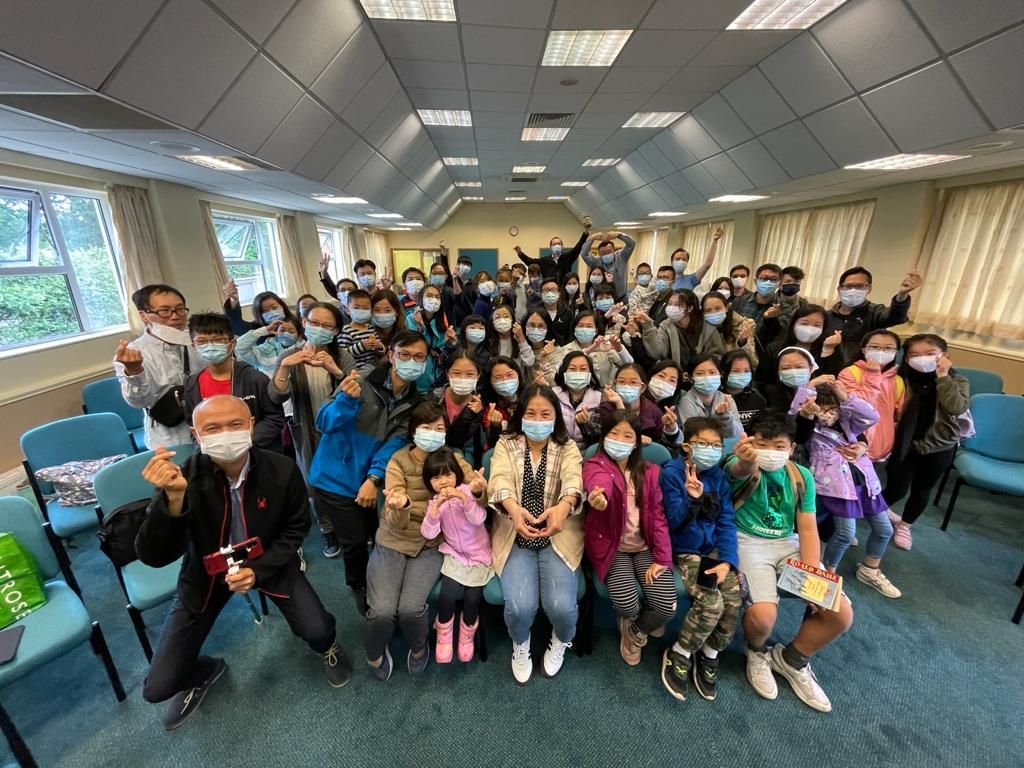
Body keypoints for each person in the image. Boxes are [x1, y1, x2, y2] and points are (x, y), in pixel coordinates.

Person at [136, 396, 352, 730]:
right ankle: (205, 671)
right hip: (206, 572)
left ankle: (328, 647)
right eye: (213, 428)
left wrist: (259, 570)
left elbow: (296, 529)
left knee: (319, 630)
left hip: (268, 560)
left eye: (235, 425)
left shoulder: (281, 468)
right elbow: (154, 555)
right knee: (159, 687)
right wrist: (173, 500)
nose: (225, 434)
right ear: (196, 434)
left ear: (251, 425)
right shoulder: (183, 478)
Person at [729, 412, 853, 713]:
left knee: (840, 614)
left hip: (788, 545)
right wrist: (745, 460)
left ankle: (791, 659)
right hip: (748, 542)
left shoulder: (801, 476)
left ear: (791, 447)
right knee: (763, 618)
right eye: (762, 444)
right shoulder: (744, 464)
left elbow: (808, 527)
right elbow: (736, 470)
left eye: (778, 445)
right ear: (749, 441)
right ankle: (756, 652)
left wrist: (813, 576)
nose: (770, 451)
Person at [307, 331, 428, 615]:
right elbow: (323, 422)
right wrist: (346, 401)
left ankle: (380, 582)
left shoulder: (413, 401)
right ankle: (358, 586)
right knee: (355, 541)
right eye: (405, 355)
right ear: (391, 355)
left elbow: (394, 444)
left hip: (368, 479)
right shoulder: (360, 380)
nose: (411, 361)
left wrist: (373, 479)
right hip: (334, 477)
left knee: (376, 533)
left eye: (419, 357)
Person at [364, 403, 482, 679]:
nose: (433, 434)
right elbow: (394, 518)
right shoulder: (399, 461)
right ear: (413, 431)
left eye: (439, 428)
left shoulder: (452, 458)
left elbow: (474, 488)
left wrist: (477, 490)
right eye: (426, 428)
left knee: (410, 609)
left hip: (432, 545)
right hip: (393, 540)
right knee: (381, 610)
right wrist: (401, 505)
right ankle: (373, 653)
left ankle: (419, 649)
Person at [487, 383, 584, 684]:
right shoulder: (506, 443)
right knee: (519, 608)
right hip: (514, 532)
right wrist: (514, 511)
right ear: (520, 415)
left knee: (563, 609)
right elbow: (499, 478)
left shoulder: (567, 446)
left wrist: (565, 506)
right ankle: (521, 644)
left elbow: (573, 479)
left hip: (558, 532)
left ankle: (560, 640)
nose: (538, 420)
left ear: (556, 416)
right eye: (531, 413)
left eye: (546, 414)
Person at [790, 383, 900, 598]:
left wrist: (845, 397)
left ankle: (870, 569)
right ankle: (826, 577)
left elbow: (872, 416)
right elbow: (798, 433)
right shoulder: (810, 426)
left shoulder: (848, 420)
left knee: (885, 530)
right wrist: (807, 402)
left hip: (863, 480)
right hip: (834, 485)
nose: (827, 414)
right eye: (822, 408)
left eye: (832, 407)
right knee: (845, 533)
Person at [583, 411, 674, 666]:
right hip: (614, 549)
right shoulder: (594, 465)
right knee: (626, 602)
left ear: (636, 441)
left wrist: (662, 558)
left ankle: (636, 631)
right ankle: (631, 620)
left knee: (666, 606)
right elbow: (598, 484)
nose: (619, 440)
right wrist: (598, 497)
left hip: (645, 547)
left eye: (627, 435)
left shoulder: (650, 471)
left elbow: (658, 517)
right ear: (603, 437)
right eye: (613, 433)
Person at [659, 417, 740, 702]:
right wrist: (693, 499)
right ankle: (680, 652)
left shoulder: (718, 477)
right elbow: (673, 522)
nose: (710, 450)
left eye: (716, 445)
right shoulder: (671, 473)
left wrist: (728, 561)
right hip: (687, 550)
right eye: (703, 444)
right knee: (711, 602)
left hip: (715, 552)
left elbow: (727, 521)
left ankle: (710, 652)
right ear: (686, 446)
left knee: (733, 600)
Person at [269, 302, 354, 557]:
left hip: (339, 430)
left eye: (328, 326)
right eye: (314, 323)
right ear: (303, 323)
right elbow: (275, 396)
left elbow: (359, 392)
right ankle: (327, 529)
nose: (320, 329)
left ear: (336, 330)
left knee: (344, 475)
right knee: (314, 480)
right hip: (306, 429)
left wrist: (335, 371)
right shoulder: (288, 356)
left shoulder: (342, 355)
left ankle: (348, 524)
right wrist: (285, 367)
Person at [882, 334, 969, 551]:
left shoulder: (957, 380)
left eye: (929, 354)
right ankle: (872, 511)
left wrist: (943, 377)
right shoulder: (900, 377)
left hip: (939, 445)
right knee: (896, 487)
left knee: (922, 488)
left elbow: (956, 407)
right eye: (915, 355)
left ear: (945, 356)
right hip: (903, 442)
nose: (922, 359)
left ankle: (905, 524)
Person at [420, 447, 492, 665]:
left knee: (472, 598)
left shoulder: (467, 491)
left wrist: (464, 498)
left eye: (448, 475)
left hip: (479, 554)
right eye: (436, 477)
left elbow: (479, 519)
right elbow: (428, 533)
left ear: (457, 476)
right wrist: (435, 511)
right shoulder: (434, 503)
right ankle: (443, 635)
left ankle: (467, 634)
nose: (443, 482)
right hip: (455, 555)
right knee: (446, 595)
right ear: (429, 481)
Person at [114, 284, 205, 450]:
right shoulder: (133, 353)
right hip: (169, 437)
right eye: (164, 311)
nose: (175, 316)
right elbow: (138, 402)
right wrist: (134, 371)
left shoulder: (198, 342)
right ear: (144, 315)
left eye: (180, 309)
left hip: (207, 427)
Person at [183, 312, 285, 452]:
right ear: (194, 346)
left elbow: (274, 417)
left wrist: (243, 441)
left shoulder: (255, 378)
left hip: (257, 454)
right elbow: (193, 424)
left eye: (218, 340)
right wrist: (207, 448)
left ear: (232, 344)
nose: (210, 345)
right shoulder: (192, 384)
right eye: (202, 341)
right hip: (215, 458)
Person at [825, 267, 922, 365]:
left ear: (869, 288)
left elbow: (896, 317)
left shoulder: (875, 312)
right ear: (839, 289)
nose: (853, 290)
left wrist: (902, 295)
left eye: (859, 286)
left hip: (864, 370)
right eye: (848, 286)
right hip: (829, 368)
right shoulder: (826, 316)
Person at [837, 330, 905, 462]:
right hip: (852, 444)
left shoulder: (897, 380)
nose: (881, 351)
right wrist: (873, 375)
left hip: (882, 446)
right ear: (863, 350)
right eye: (874, 347)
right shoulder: (850, 372)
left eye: (888, 348)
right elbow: (860, 409)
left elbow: (897, 415)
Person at [637, 289, 725, 373]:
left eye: (677, 304)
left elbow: (717, 357)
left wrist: (696, 373)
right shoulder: (666, 325)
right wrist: (648, 326)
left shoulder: (707, 328)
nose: (671, 308)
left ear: (690, 308)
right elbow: (657, 353)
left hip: (702, 376)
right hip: (675, 376)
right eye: (670, 304)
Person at [758, 304, 844, 385]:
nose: (810, 329)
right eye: (804, 323)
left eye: (817, 325)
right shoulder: (774, 348)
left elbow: (830, 379)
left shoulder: (829, 347)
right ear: (793, 324)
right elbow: (762, 380)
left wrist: (828, 351)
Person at [600, 363, 680, 447]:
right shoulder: (606, 408)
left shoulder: (653, 410)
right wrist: (619, 404)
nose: (627, 386)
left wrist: (670, 428)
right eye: (621, 382)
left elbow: (664, 443)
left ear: (643, 388)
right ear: (615, 384)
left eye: (633, 382)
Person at [550, 311, 632, 387]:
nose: (584, 329)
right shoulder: (565, 350)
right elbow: (556, 376)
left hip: (604, 395)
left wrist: (619, 348)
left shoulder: (604, 347)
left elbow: (629, 364)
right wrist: (589, 350)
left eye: (589, 326)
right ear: (574, 329)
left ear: (596, 331)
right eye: (580, 325)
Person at [436, 350, 486, 465]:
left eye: (470, 374)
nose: (463, 379)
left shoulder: (480, 405)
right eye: (456, 373)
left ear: (478, 376)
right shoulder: (435, 399)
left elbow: (459, 441)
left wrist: (473, 414)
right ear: (448, 374)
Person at [678, 354, 742, 439]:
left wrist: (725, 417)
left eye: (712, 372)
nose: (707, 377)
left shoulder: (726, 399)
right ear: (691, 378)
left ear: (720, 374)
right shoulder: (686, 402)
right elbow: (694, 435)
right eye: (700, 374)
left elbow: (739, 435)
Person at [551, 351, 604, 448]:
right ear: (564, 372)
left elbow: (598, 441)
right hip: (557, 449)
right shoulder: (552, 395)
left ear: (590, 373)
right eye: (572, 369)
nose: (578, 373)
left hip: (587, 453)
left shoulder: (600, 398)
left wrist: (586, 424)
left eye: (583, 369)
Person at [701, 291, 757, 369]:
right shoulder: (700, 330)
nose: (714, 313)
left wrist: (742, 343)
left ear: (726, 308)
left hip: (735, 371)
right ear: (703, 313)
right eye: (708, 310)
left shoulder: (742, 325)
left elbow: (752, 360)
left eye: (718, 308)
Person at [236, 314, 303, 378]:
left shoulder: (304, 350)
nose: (286, 334)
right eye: (282, 330)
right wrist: (264, 330)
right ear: (276, 333)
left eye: (291, 332)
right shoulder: (265, 350)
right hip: (270, 388)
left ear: (299, 336)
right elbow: (239, 347)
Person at [514, 228, 590, 284]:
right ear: (550, 248)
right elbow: (529, 261)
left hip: (564, 290)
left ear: (562, 246)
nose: (557, 245)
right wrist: (520, 253)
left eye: (559, 244)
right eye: (554, 244)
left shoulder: (567, 257)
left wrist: (586, 232)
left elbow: (578, 247)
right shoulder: (544, 261)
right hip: (549, 289)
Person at [481, 356, 526, 449]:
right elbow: (492, 444)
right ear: (490, 382)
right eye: (498, 377)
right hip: (504, 450)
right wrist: (495, 426)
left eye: (510, 375)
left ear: (518, 374)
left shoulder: (529, 398)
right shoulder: (491, 408)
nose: (505, 381)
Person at [338, 289, 385, 373]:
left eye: (366, 308)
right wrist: (361, 346)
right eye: (356, 307)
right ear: (348, 310)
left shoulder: (371, 328)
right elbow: (341, 355)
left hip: (373, 368)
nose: (361, 311)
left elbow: (379, 349)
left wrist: (379, 346)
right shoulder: (345, 331)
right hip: (356, 371)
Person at [732, 263, 787, 333]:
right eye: (764, 278)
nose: (768, 282)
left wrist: (771, 319)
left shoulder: (784, 308)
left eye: (773, 279)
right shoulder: (739, 301)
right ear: (756, 281)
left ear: (779, 284)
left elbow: (780, 335)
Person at [581, 231, 636, 300]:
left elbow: (632, 244)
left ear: (613, 250)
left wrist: (618, 235)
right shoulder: (596, 262)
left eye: (609, 251)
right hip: (604, 300)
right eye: (603, 253)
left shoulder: (621, 257)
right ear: (599, 254)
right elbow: (584, 254)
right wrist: (592, 238)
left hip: (621, 298)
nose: (606, 254)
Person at [721, 349, 766, 429]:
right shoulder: (715, 398)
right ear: (723, 373)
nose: (742, 374)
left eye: (746, 371)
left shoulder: (758, 399)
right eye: (736, 371)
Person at [671, 226, 723, 291]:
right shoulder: (665, 280)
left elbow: (707, 265)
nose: (681, 261)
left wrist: (715, 240)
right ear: (672, 262)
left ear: (687, 263)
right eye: (678, 259)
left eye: (684, 260)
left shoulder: (691, 279)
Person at [488, 302, 534, 373]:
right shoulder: (489, 342)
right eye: (497, 317)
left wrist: (521, 338)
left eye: (506, 316)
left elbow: (529, 362)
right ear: (493, 324)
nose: (502, 320)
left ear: (512, 320)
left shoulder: (518, 339)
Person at [521, 309, 558, 382]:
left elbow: (553, 382)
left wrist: (544, 358)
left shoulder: (556, 352)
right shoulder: (522, 348)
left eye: (541, 326)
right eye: (531, 325)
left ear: (548, 328)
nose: (535, 329)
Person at [537, 276, 574, 345]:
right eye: (546, 290)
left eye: (553, 290)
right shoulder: (535, 312)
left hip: (563, 350)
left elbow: (570, 336)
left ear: (559, 294)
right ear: (541, 294)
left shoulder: (567, 312)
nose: (550, 293)